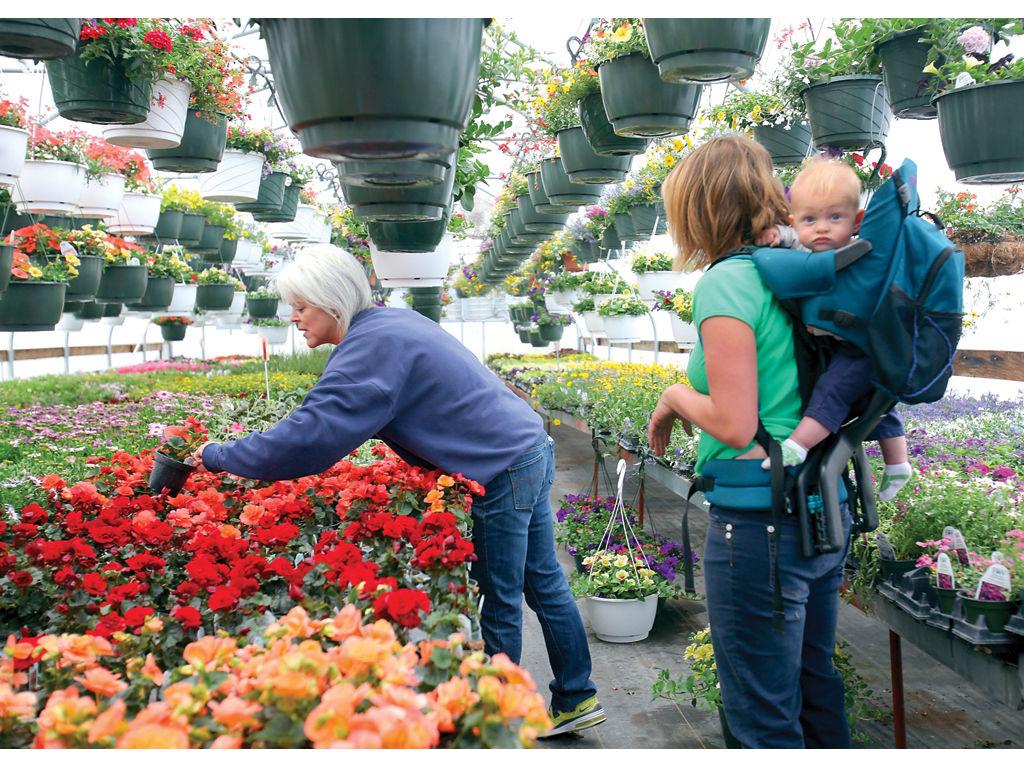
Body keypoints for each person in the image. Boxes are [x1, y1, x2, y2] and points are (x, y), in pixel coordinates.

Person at [190, 243, 603, 736]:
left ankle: (498, 721)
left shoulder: (370, 350)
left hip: (501, 467)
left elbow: (306, 440)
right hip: (526, 446)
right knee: (544, 581)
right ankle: (576, 698)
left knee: (502, 595)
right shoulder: (387, 324)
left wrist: (216, 455)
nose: (294, 319)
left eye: (301, 307)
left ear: (333, 302)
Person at [646, 135, 851, 748]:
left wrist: (674, 398)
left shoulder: (728, 283)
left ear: (699, 209)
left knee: (761, 718)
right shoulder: (797, 270)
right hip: (820, 506)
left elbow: (735, 424)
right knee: (815, 690)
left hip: (759, 526)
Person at [756, 157, 912, 502]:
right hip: (844, 344)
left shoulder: (857, 252)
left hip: (860, 348)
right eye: (810, 219)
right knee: (875, 401)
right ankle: (898, 463)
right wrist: (777, 235)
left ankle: (798, 445)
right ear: (796, 222)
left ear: (856, 221)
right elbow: (791, 241)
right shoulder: (806, 246)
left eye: (835, 217)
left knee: (833, 392)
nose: (822, 228)